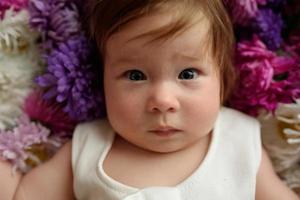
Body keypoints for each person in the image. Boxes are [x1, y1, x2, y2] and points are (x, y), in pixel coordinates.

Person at [9, 0, 300, 199]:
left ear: (223, 78)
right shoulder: (88, 147)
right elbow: (22, 194)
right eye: (135, 75)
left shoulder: (239, 142)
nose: (162, 100)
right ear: (102, 79)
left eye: (188, 73)